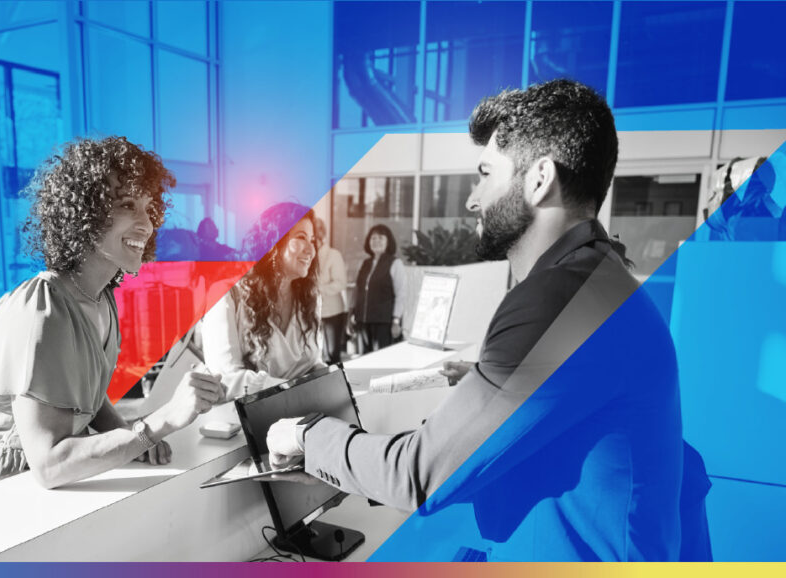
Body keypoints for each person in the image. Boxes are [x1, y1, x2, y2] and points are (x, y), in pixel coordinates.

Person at [267, 80, 709, 561]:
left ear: (539, 179)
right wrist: (484, 385)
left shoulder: (557, 295)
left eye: (485, 174)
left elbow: (416, 474)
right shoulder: (603, 277)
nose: (472, 199)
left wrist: (307, 434)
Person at [0, 136, 225, 492]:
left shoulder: (100, 298)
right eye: (128, 205)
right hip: (6, 489)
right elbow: (50, 464)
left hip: (58, 487)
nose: (146, 224)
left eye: (149, 208)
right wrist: (159, 423)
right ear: (85, 211)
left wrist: (129, 438)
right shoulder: (43, 309)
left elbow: (88, 397)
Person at [200, 202, 324, 400]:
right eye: (301, 238)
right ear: (274, 242)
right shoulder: (226, 294)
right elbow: (226, 379)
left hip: (301, 410)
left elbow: (313, 363)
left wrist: (330, 381)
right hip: (246, 419)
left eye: (313, 240)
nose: (311, 250)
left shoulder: (309, 297)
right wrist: (295, 391)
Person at [351, 225, 406, 353]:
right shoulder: (365, 263)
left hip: (384, 322)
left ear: (388, 241)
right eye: (373, 238)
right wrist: (351, 314)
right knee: (363, 359)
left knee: (383, 360)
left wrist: (396, 320)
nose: (376, 241)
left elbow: (401, 294)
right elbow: (357, 290)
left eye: (381, 238)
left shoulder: (395, 263)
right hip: (363, 321)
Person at [314, 218, 348, 364]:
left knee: (332, 355)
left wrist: (318, 289)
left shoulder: (333, 255)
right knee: (317, 357)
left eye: (314, 237)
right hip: (313, 313)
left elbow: (340, 283)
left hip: (332, 312)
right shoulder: (309, 256)